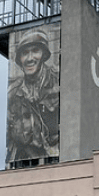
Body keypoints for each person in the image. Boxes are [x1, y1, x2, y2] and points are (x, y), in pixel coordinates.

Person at [6, 28, 60, 163]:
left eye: (35, 51)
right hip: (25, 164)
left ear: (44, 54)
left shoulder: (60, 85)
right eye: (25, 53)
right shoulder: (13, 93)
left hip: (58, 162)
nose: (30, 59)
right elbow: (10, 137)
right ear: (20, 59)